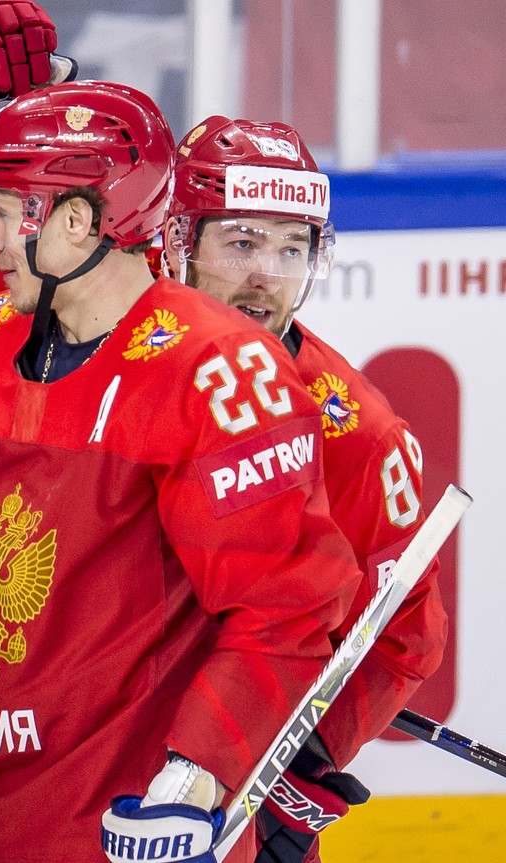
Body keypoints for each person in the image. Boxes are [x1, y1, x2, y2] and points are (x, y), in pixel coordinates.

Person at [0, 4, 369, 861]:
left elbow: (305, 612)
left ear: (82, 223)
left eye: (285, 247)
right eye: (237, 241)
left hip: (115, 832)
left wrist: (223, 772)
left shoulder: (234, 375)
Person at [167, 115, 447, 863]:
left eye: (292, 248)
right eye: (242, 243)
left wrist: (306, 755)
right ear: (175, 241)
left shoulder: (359, 433)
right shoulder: (110, 355)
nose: (267, 276)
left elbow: (405, 629)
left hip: (217, 783)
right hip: (79, 760)